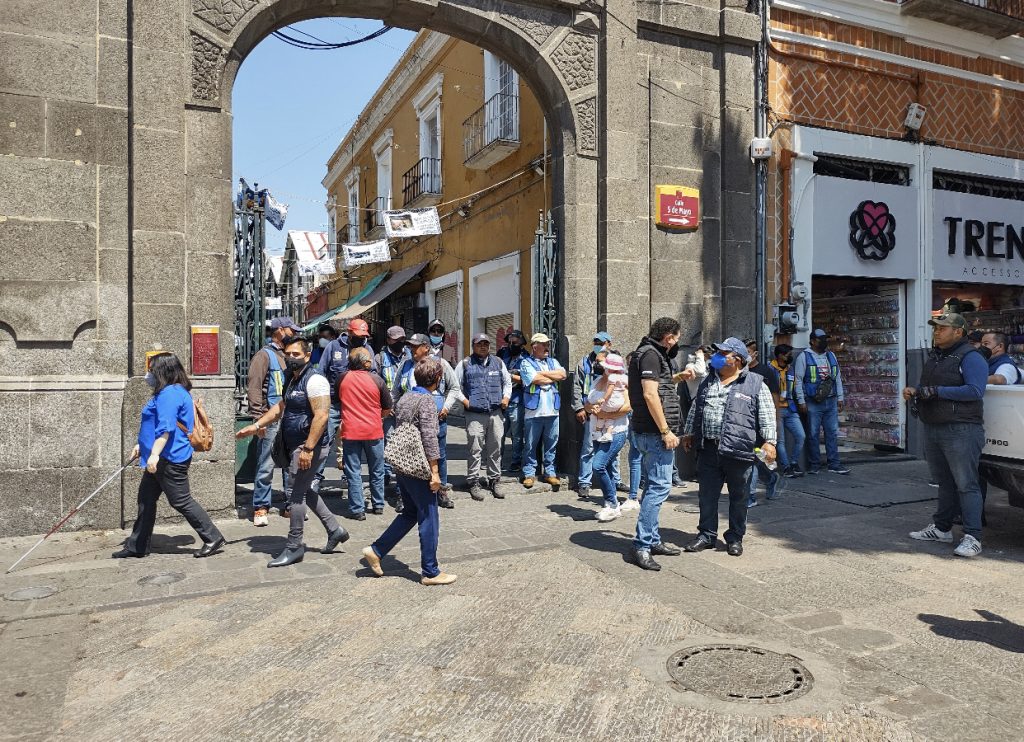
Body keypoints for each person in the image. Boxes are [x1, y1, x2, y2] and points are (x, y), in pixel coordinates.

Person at [236, 336, 350, 567]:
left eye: (296, 354)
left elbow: (322, 415)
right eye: (288, 354)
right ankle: (335, 529)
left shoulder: (315, 380)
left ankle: (294, 546)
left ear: (307, 356)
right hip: (294, 442)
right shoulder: (291, 378)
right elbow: (280, 407)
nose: (291, 358)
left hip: (310, 444)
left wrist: (308, 448)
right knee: (304, 490)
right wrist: (257, 425)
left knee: (295, 493)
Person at [114, 353, 226, 559]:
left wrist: (154, 455)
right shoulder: (170, 391)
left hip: (169, 457)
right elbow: (155, 424)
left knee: (180, 500)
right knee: (146, 499)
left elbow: (165, 429)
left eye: (151, 369)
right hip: (161, 455)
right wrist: (142, 445)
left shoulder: (169, 394)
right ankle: (137, 546)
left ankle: (212, 536)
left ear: (162, 371)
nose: (148, 374)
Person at [362, 357, 457, 585]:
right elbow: (429, 438)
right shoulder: (426, 401)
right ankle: (430, 571)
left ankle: (376, 550)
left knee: (410, 513)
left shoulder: (405, 397)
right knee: (429, 517)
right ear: (437, 378)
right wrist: (435, 473)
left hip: (403, 464)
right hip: (419, 467)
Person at [682, 338, 777, 558]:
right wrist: (689, 432)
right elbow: (698, 407)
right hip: (709, 449)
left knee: (739, 496)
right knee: (707, 495)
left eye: (723, 353)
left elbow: (767, 415)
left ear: (737, 360)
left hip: (739, 449)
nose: (716, 356)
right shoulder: (708, 380)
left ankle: (735, 537)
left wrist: (770, 442)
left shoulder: (755, 383)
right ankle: (706, 535)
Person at [905, 312, 988, 558]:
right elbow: (934, 389)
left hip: (961, 429)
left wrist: (936, 391)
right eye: (936, 328)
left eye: (943, 328)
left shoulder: (971, 357)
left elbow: (975, 390)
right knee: (945, 483)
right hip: (935, 427)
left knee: (966, 484)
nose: (937, 332)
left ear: (958, 332)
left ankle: (973, 537)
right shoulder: (938, 355)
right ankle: (942, 529)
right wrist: (917, 391)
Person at [628, 317, 684, 571]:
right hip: (654, 433)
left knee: (653, 486)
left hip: (645, 431)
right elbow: (650, 394)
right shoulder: (651, 355)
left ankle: (653, 539)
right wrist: (665, 430)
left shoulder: (648, 354)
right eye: (677, 338)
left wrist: (679, 376)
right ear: (668, 337)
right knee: (659, 488)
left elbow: (656, 388)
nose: (677, 343)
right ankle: (643, 545)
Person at [393, 333, 461, 508]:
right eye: (410, 346)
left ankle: (441, 491)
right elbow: (396, 391)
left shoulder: (441, 364)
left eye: (416, 346)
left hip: (437, 420)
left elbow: (454, 388)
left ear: (426, 347)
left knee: (439, 455)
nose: (412, 350)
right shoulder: (405, 365)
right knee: (409, 456)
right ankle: (405, 495)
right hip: (411, 424)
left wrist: (446, 407)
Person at [245, 315, 298, 527]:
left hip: (289, 417)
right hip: (270, 418)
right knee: (266, 463)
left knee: (290, 464)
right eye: (290, 330)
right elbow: (255, 387)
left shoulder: (289, 355)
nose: (293, 334)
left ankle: (290, 505)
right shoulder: (263, 356)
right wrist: (259, 418)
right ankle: (260, 506)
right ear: (279, 331)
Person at [315, 318, 376, 493]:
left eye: (364, 335)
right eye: (358, 335)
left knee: (353, 444)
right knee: (324, 439)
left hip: (357, 406)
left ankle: (351, 480)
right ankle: (316, 478)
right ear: (349, 332)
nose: (361, 339)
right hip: (334, 404)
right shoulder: (333, 347)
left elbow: (373, 375)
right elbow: (321, 373)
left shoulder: (367, 349)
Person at [338, 346, 393, 519]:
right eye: (369, 359)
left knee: (353, 471)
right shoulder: (377, 380)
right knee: (377, 469)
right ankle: (378, 504)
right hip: (374, 431)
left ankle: (357, 509)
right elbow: (388, 407)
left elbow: (336, 401)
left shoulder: (342, 379)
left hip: (350, 432)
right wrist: (378, 417)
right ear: (365, 363)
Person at [455, 334, 512, 500]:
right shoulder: (465, 364)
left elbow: (507, 382)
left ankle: (494, 479)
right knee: (475, 449)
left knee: (495, 449)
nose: (483, 347)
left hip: (495, 413)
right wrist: (466, 402)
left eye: (486, 344)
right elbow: (455, 386)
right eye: (480, 344)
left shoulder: (498, 362)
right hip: (474, 414)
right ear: (473, 346)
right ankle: (473, 481)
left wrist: (506, 398)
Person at [793, 328, 850, 475]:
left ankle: (834, 464)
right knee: (813, 434)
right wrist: (801, 401)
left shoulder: (831, 356)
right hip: (813, 402)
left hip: (830, 401)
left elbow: (837, 377)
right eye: (821, 339)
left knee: (831, 432)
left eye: (825, 339)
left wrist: (840, 397)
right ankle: (814, 464)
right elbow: (798, 381)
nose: (824, 342)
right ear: (812, 341)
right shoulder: (803, 357)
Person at [586, 353, 632, 521]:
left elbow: (627, 407)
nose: (607, 369)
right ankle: (611, 504)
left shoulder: (622, 381)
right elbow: (587, 403)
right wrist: (592, 408)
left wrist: (605, 413)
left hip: (616, 431)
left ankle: (612, 503)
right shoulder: (597, 380)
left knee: (598, 466)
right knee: (607, 467)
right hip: (596, 430)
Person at [520, 333, 567, 488]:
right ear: (535, 347)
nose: (547, 347)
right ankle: (529, 473)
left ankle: (550, 472)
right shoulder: (526, 363)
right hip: (534, 412)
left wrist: (543, 374)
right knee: (530, 445)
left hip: (553, 411)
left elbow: (563, 374)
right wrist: (552, 377)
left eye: (548, 344)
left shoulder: (553, 361)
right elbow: (534, 379)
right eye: (544, 344)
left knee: (551, 444)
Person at [572, 331, 614, 499]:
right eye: (595, 341)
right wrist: (578, 408)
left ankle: (614, 481)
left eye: (601, 342)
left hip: (611, 412)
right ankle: (584, 483)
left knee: (612, 448)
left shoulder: (615, 360)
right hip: (591, 411)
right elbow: (576, 386)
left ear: (609, 344)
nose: (598, 344)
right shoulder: (584, 362)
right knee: (588, 448)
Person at [375, 325, 411, 509]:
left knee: (404, 451)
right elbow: (376, 385)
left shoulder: (410, 357)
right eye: (395, 340)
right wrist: (387, 406)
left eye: (402, 339)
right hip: (388, 413)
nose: (399, 343)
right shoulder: (380, 358)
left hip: (408, 412)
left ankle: (401, 492)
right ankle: (387, 480)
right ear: (388, 340)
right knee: (390, 448)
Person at [745, 339, 781, 507]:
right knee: (755, 459)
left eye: (747, 353)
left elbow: (774, 399)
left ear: (755, 354)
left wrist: (774, 423)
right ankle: (769, 478)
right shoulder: (738, 373)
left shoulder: (765, 371)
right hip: (746, 425)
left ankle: (751, 495)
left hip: (761, 425)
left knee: (756, 458)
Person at [770, 344, 806, 477]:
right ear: (780, 356)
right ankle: (786, 467)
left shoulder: (791, 369)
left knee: (801, 436)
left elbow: (795, 387)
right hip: (776, 409)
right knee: (780, 441)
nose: (790, 357)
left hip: (790, 408)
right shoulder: (770, 369)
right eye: (788, 355)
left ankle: (794, 462)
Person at [497, 329, 528, 472]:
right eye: (510, 341)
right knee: (499, 433)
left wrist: (508, 375)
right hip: (501, 400)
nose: (511, 344)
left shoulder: (527, 358)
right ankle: (497, 460)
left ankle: (516, 461)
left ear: (522, 343)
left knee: (517, 434)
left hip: (517, 399)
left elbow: (526, 380)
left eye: (515, 342)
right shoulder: (502, 353)